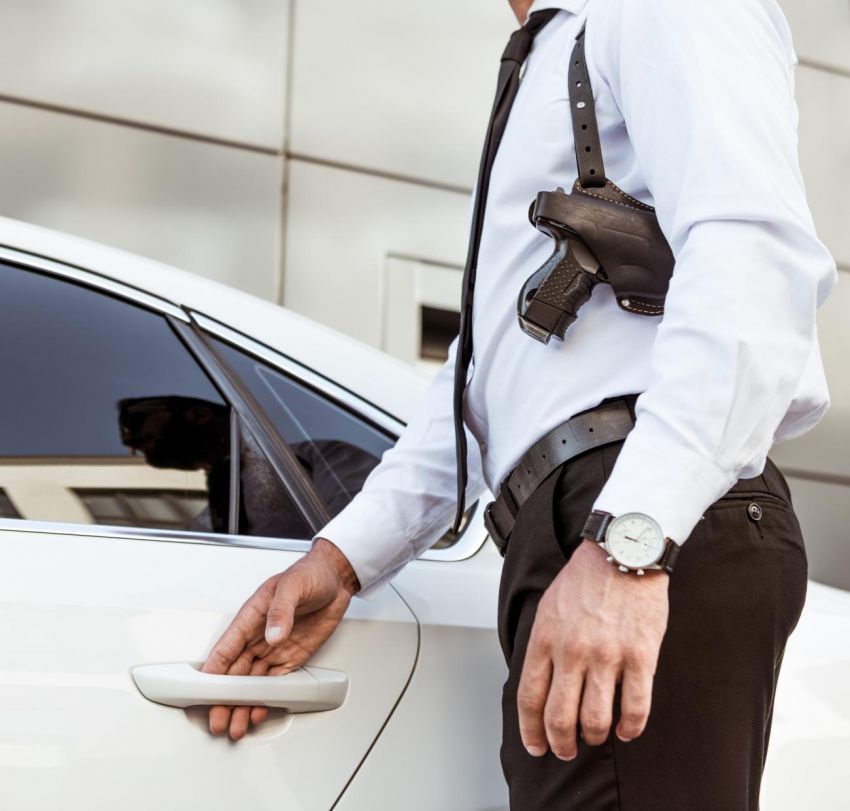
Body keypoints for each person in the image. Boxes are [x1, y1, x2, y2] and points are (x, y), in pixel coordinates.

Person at [201, 0, 837, 807]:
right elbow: (486, 379)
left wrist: (629, 546)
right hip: (573, 522)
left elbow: (753, 264)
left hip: (639, 515)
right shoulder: (551, 52)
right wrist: (342, 559)